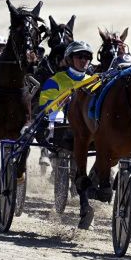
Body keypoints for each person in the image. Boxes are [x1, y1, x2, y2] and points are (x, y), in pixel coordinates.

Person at [37, 40, 94, 169]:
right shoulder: (55, 80)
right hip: (60, 128)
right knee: (57, 116)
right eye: (79, 56)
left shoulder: (93, 81)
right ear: (69, 59)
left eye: (87, 57)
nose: (84, 60)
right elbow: (46, 107)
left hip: (86, 127)